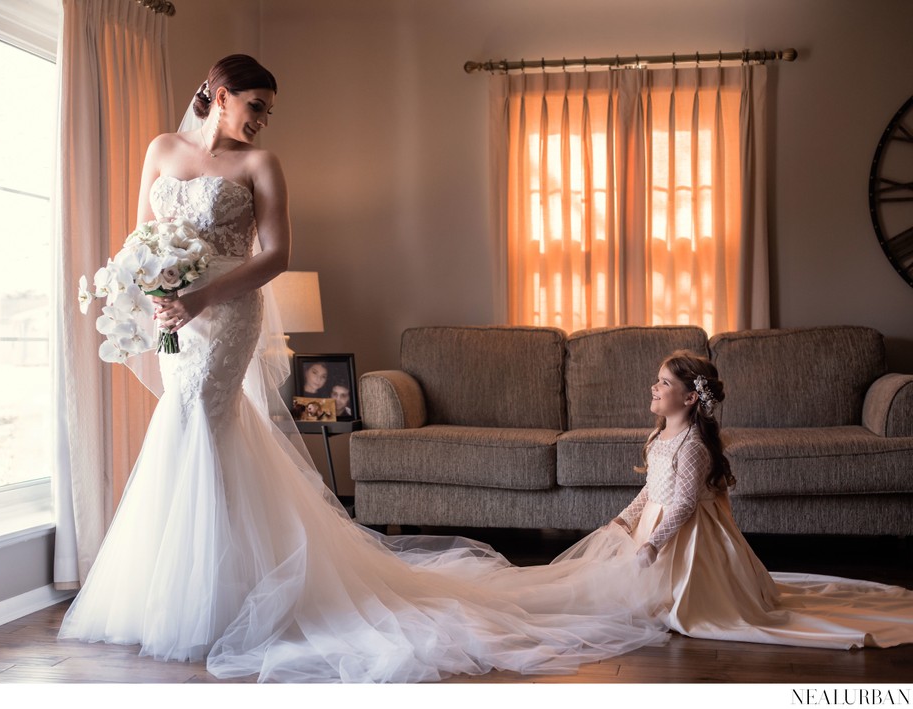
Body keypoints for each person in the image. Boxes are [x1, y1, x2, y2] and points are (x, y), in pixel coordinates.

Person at [57, 54, 669, 682]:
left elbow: (277, 256)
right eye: (256, 105)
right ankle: (184, 590)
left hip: (225, 314)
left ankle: (214, 601)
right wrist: (154, 294)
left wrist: (203, 297)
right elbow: (141, 238)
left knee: (201, 424)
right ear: (219, 93)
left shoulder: (260, 165)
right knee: (183, 427)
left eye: (268, 110)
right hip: (176, 317)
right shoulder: (161, 148)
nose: (264, 120)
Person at [536, 350, 913, 649]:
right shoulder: (658, 438)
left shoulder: (694, 446)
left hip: (685, 535)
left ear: (689, 397)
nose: (653, 387)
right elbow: (652, 489)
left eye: (663, 383)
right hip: (654, 522)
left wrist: (653, 542)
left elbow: (683, 504)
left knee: (677, 597)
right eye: (657, 380)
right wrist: (625, 519)